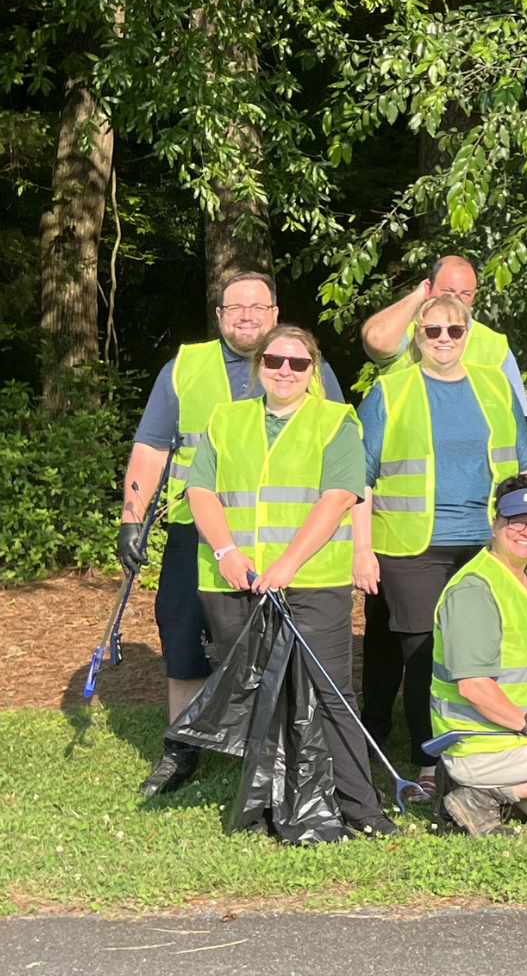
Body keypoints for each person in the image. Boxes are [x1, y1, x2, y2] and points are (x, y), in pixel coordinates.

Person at [124, 271, 348, 797]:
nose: (246, 316)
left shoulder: (306, 364)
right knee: (183, 639)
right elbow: (152, 447)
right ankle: (182, 748)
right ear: (220, 316)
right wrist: (131, 517)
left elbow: (343, 450)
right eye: (234, 308)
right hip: (195, 534)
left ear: (274, 312)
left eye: (257, 306)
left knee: (284, 645)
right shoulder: (185, 368)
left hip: (287, 543)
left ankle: (283, 746)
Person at [182, 325, 393, 836]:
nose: (284, 371)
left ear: (312, 371)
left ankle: (361, 806)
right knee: (260, 695)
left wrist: (288, 565)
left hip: (311, 582)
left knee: (330, 692)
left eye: (297, 364)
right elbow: (200, 492)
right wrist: (227, 551)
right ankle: (267, 806)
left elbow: (338, 497)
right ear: (259, 366)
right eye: (274, 360)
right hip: (235, 582)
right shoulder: (225, 420)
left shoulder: (336, 421)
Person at [354, 293, 527, 802]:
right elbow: (360, 478)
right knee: (425, 655)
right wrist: (361, 548)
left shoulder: (493, 386)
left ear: (468, 332)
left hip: (489, 541)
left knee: (485, 650)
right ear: (416, 336)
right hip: (409, 546)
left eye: (454, 330)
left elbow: (526, 461)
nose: (443, 339)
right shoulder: (390, 391)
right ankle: (427, 761)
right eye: (432, 331)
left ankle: (482, 747)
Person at [430, 477, 527, 837]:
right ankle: (483, 790)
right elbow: (473, 686)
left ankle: (493, 795)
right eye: (516, 520)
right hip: (483, 740)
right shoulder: (474, 589)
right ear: (495, 522)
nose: (526, 531)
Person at [359, 255, 527, 416]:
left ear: (474, 296)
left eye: (466, 294)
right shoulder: (406, 331)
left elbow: (516, 417)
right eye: (448, 291)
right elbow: (376, 339)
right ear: (429, 288)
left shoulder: (495, 345)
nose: (456, 300)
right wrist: (418, 295)